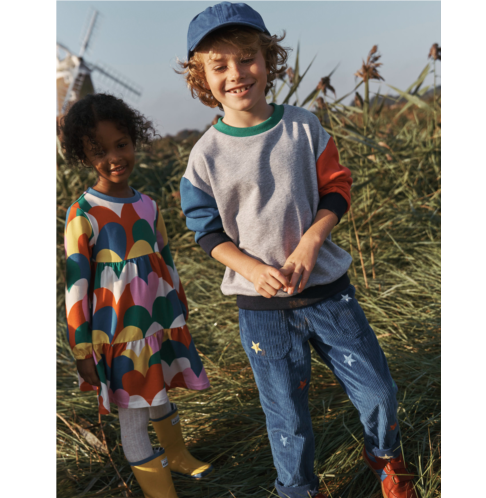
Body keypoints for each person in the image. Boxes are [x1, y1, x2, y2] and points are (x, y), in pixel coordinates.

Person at [179, 3, 419, 498]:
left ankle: (385, 456)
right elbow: (205, 231)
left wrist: (313, 238)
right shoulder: (204, 157)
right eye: (219, 66)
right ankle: (297, 490)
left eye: (247, 58)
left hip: (330, 292)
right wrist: (247, 267)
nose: (236, 74)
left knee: (378, 391)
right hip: (263, 309)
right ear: (201, 78)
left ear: (268, 59)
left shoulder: (304, 127)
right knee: (287, 418)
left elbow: (337, 188)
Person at [60, 94, 213, 498]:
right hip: (117, 337)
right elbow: (76, 284)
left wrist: (179, 307)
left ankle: (177, 455)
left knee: (159, 394)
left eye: (121, 144)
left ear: (135, 140)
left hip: (160, 325)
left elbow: (164, 260)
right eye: (98, 151)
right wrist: (81, 350)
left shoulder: (148, 204)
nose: (114, 157)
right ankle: (160, 491)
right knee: (134, 416)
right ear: (82, 155)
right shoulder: (84, 214)